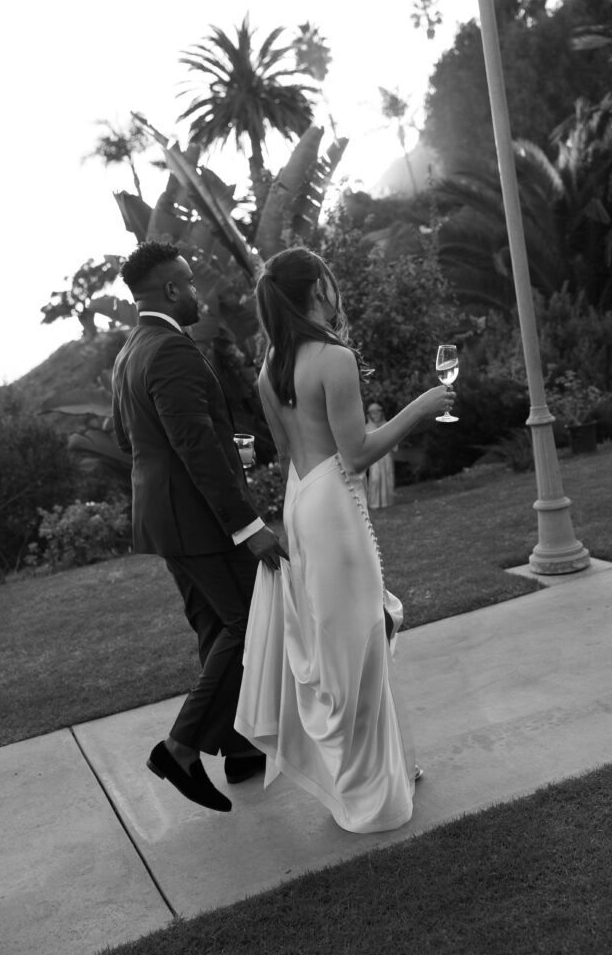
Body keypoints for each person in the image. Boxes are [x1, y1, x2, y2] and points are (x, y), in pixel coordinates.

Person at [234, 246, 455, 833]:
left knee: (344, 639)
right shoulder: (333, 357)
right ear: (317, 291)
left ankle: (389, 766)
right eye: (329, 283)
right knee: (360, 641)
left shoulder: (271, 367)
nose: (335, 293)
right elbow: (355, 453)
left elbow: (290, 451)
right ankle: (372, 798)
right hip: (333, 502)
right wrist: (422, 406)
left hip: (302, 501)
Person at [111, 241, 287, 814]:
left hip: (166, 521)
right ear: (168, 290)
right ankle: (180, 747)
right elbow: (192, 446)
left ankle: (239, 750)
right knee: (250, 625)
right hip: (202, 522)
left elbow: (135, 442)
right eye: (188, 282)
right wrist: (248, 526)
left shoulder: (130, 352)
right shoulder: (171, 351)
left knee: (216, 629)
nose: (197, 292)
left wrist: (225, 448)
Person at [365, 402, 396, 508]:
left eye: (377, 412)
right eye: (372, 413)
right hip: (374, 457)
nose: (375, 415)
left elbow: (394, 440)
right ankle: (374, 503)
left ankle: (387, 502)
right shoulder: (367, 428)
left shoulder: (387, 424)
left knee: (387, 476)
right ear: (369, 414)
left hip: (386, 455)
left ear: (381, 412)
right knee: (375, 478)